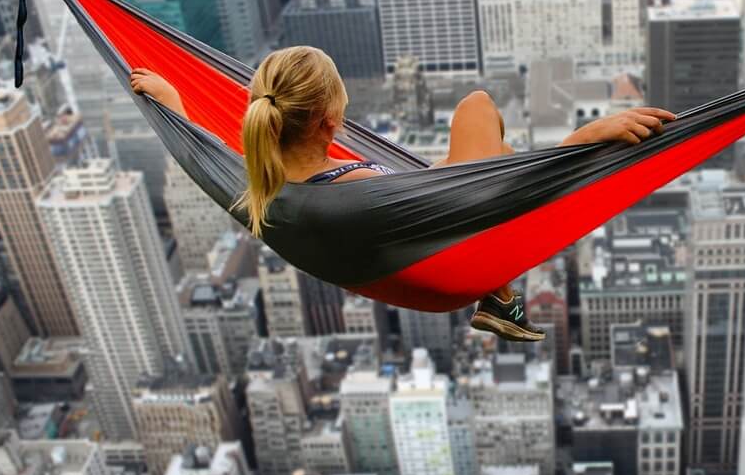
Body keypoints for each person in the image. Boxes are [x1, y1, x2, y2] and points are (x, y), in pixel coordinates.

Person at [130, 45, 675, 342]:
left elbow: (202, 157)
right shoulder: (355, 193)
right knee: (478, 109)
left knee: (482, 137)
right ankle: (499, 294)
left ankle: (504, 299)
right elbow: (492, 199)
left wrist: (174, 104)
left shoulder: (256, 184)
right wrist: (582, 142)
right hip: (442, 273)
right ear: (329, 121)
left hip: (397, 250)